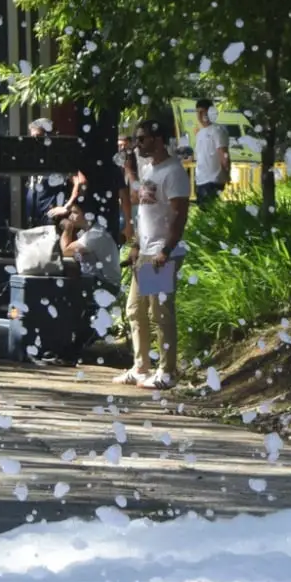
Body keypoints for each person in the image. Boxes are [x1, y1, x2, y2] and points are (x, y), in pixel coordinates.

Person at [119, 117, 191, 390]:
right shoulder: (149, 168)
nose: (136, 144)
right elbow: (143, 207)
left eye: (142, 139)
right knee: (135, 310)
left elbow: (179, 214)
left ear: (158, 140)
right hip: (145, 251)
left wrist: (166, 249)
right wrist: (136, 246)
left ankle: (167, 371)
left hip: (161, 252)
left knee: (160, 313)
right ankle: (140, 368)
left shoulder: (173, 172)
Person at [192, 99, 230, 206]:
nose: (200, 115)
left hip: (214, 180)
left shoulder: (217, 130)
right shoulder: (199, 133)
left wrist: (227, 173)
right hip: (200, 179)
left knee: (210, 212)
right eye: (197, 112)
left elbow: (224, 153)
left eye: (202, 112)